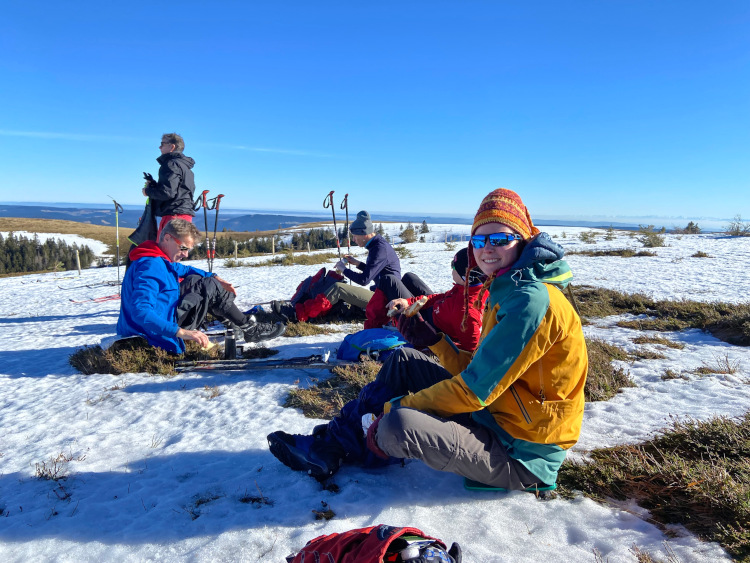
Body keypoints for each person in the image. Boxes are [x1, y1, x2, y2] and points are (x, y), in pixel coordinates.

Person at [267, 188, 588, 490]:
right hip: (497, 414)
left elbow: (475, 392)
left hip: (522, 452)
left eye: (501, 237)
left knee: (397, 425)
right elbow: (479, 371)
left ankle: (356, 440)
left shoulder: (528, 302)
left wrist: (393, 407)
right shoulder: (508, 288)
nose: (488, 247)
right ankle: (334, 445)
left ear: (523, 240)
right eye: (480, 238)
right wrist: (435, 341)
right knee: (403, 359)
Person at [117, 219, 284, 354]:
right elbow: (140, 312)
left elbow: (186, 269)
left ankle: (237, 323)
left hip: (162, 321)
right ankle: (248, 327)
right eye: (183, 248)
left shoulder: (160, 259)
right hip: (152, 334)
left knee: (204, 281)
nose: (186, 254)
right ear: (167, 238)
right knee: (207, 286)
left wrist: (215, 277)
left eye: (188, 249)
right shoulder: (151, 266)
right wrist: (182, 333)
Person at [280, 211, 414, 329]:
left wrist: (343, 269)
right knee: (340, 289)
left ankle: (299, 314)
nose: (354, 240)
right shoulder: (378, 246)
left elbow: (364, 280)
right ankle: (307, 308)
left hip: (386, 302)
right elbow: (375, 270)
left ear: (364, 233)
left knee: (339, 288)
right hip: (383, 296)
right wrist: (357, 263)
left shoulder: (379, 250)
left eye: (355, 236)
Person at [387, 247, 487, 352]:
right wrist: (408, 301)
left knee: (390, 280)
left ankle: (379, 323)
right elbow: (443, 297)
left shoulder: (465, 312)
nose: (451, 268)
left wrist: (435, 342)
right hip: (439, 310)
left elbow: (472, 350)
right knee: (409, 277)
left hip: (427, 326)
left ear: (465, 277)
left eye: (453, 266)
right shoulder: (471, 288)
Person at [143, 133, 197, 242]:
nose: (159, 147)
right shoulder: (185, 167)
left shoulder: (170, 164)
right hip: (185, 214)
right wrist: (155, 185)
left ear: (172, 147)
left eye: (162, 144)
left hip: (173, 216)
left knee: (165, 251)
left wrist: (148, 191)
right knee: (177, 251)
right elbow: (178, 190)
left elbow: (167, 193)